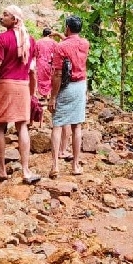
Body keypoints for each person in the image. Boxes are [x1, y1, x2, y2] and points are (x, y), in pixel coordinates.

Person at [0, 5, 41, 184]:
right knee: (22, 126)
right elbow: (32, 71)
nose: (1, 17)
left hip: (5, 85)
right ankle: (26, 170)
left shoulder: (2, 39)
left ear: (14, 19)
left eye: (5, 14)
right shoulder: (30, 41)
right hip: (22, 86)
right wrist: (32, 93)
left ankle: (2, 169)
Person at [48, 15, 90, 178]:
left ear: (67, 27)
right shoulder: (85, 44)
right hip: (81, 86)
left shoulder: (61, 47)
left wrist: (53, 97)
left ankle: (55, 166)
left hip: (66, 87)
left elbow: (58, 74)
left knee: (57, 125)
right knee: (76, 126)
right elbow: (72, 42)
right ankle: (75, 165)